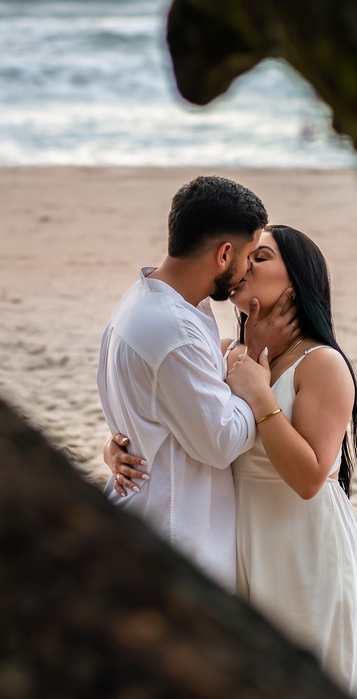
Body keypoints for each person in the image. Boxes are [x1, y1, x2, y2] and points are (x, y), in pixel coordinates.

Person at [107, 224, 357, 696]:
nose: (245, 265)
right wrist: (119, 446)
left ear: (294, 283)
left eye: (261, 257)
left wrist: (260, 396)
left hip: (301, 545)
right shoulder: (226, 351)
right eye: (248, 255)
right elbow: (184, 419)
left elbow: (310, 478)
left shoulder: (322, 365)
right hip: (239, 541)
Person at [96, 176, 299, 592]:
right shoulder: (175, 330)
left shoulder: (144, 300)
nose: (246, 271)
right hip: (173, 536)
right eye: (248, 257)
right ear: (225, 254)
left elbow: (158, 401)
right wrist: (254, 373)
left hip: (156, 516)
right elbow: (221, 441)